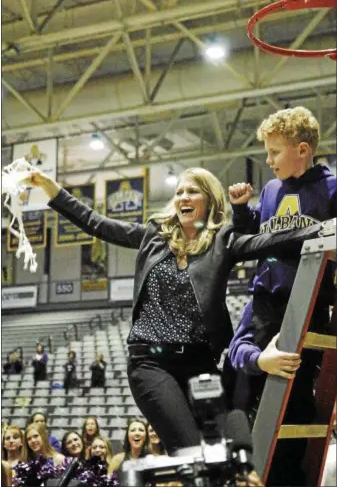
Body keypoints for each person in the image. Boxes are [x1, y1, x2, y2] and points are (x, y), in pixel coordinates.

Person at [24, 166, 330, 463]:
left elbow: (271, 241)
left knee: (231, 450)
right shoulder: (152, 236)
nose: (183, 197)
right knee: (190, 450)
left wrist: (326, 228)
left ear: (209, 200)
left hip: (200, 363)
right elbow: (95, 222)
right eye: (180, 191)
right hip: (152, 364)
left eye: (193, 192)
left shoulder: (222, 241)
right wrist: (51, 188)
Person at [227, 106, 337, 486]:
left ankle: (288, 474)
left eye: (275, 152)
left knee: (296, 394)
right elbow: (255, 241)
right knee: (248, 386)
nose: (268, 161)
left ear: (302, 150)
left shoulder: (331, 188)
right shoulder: (272, 190)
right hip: (267, 302)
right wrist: (241, 212)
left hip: (307, 306)